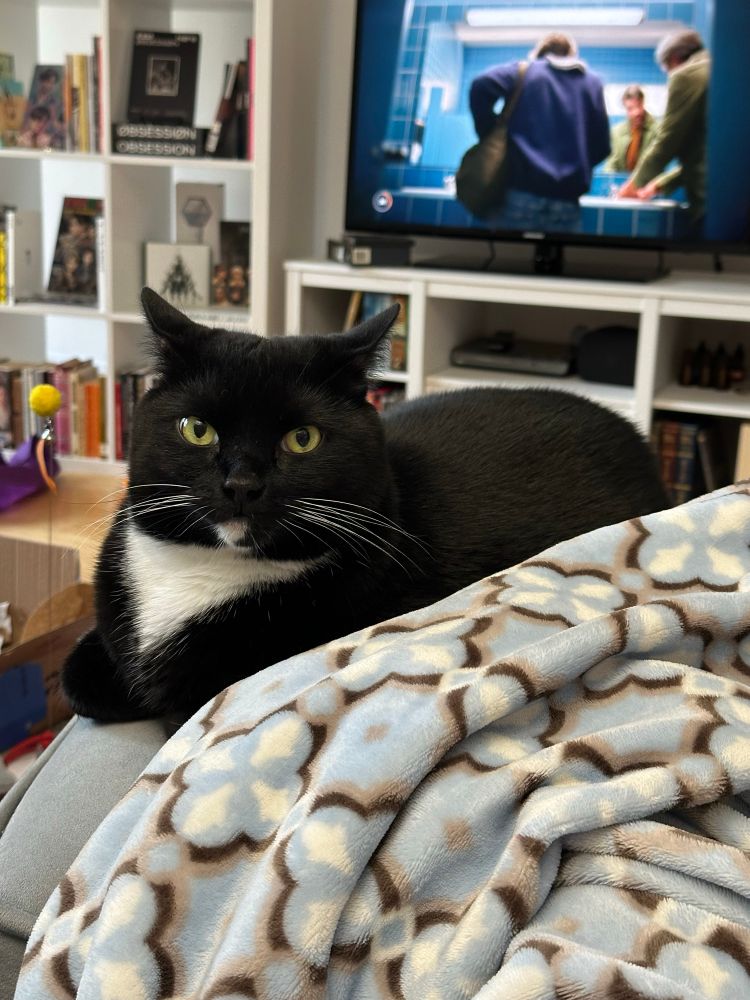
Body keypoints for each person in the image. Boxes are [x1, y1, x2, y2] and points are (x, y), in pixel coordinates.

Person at [467, 32, 610, 232]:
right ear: (571, 55)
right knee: (555, 262)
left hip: (519, 193)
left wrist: (489, 133)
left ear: (539, 53)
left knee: (510, 261)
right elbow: (603, 146)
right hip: (567, 202)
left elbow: (480, 85)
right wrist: (577, 163)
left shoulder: (525, 71)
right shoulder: (592, 83)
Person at [617, 29, 709, 228]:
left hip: (709, 196)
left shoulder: (686, 75)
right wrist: (658, 185)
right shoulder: (714, 68)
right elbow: (705, 153)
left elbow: (667, 142)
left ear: (674, 59)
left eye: (667, 69)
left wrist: (632, 186)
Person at [605, 84, 659, 172]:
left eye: (638, 106)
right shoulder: (616, 132)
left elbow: (656, 165)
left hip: (648, 183)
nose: (636, 112)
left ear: (643, 102)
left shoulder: (657, 130)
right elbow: (611, 165)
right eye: (630, 109)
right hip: (622, 183)